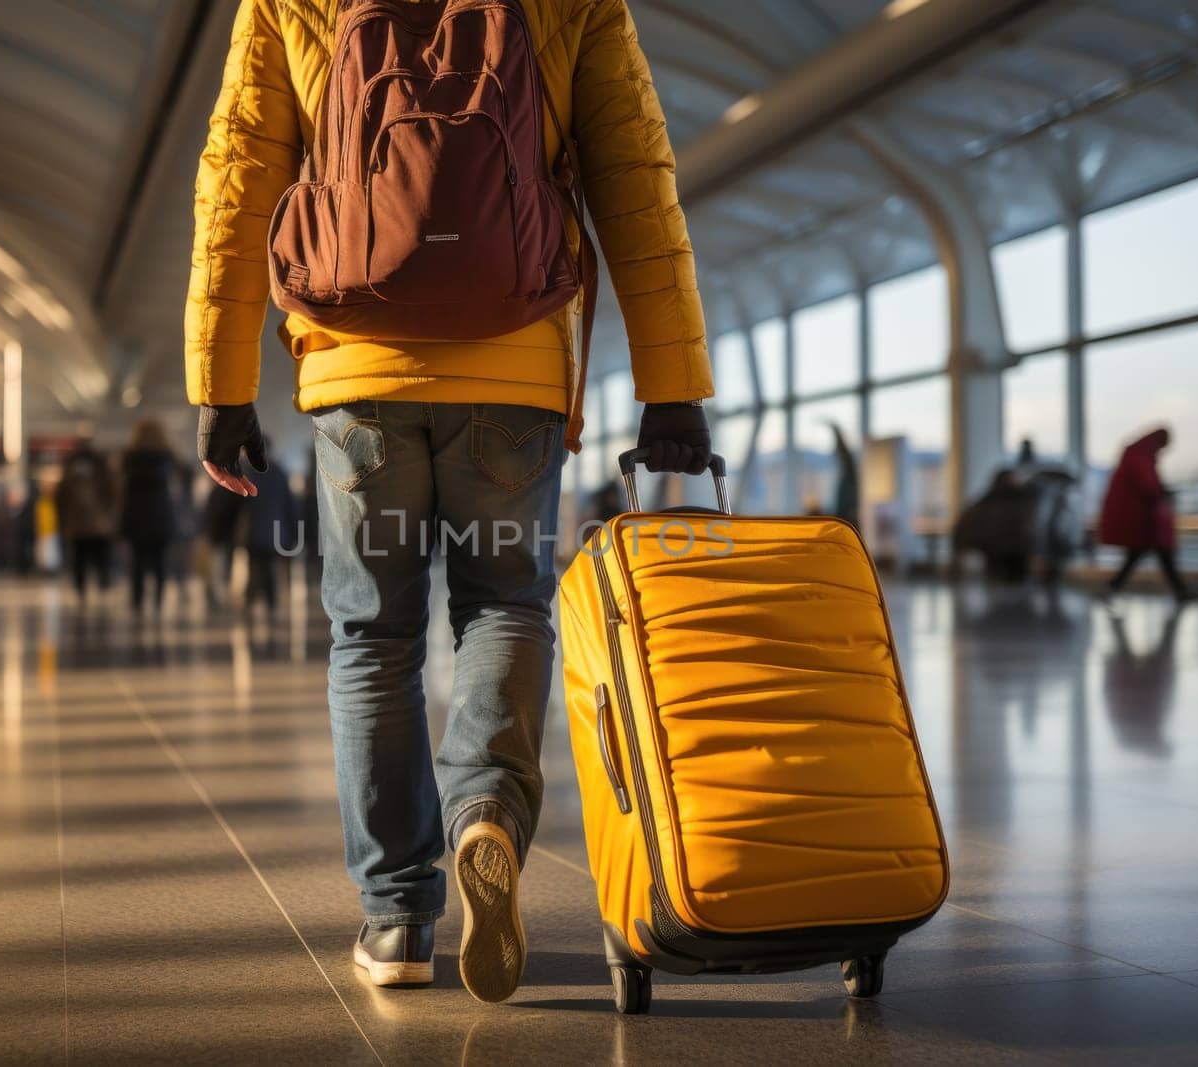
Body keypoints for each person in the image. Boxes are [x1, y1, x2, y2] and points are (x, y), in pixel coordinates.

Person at [187, 0, 713, 1002]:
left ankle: (395, 917)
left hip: (354, 370)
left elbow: (237, 181)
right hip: (513, 365)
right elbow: (634, 178)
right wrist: (670, 379)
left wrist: (218, 384)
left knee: (372, 635)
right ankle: (484, 811)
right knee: (505, 603)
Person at [1098, 428, 1196, 602]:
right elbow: (1148, 486)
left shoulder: (1136, 454)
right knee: (1157, 554)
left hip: (1141, 518)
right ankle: (1180, 591)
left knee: (1140, 556)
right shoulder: (1141, 457)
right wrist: (1162, 492)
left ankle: (1111, 587)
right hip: (1143, 519)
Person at [119, 419, 181, 617]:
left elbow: (123, 489)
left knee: (137, 562)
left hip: (136, 516)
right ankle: (158, 601)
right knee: (160, 562)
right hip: (161, 516)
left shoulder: (129, 458)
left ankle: (137, 602)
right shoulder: (168, 457)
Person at [55, 440, 116, 603]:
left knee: (79, 558)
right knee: (101, 557)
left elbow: (60, 498)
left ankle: (80, 590)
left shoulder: (70, 470)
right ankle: (103, 586)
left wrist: (63, 520)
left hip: (76, 524)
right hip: (99, 523)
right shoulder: (102, 469)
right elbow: (112, 494)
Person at [242, 438, 297, 616]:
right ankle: (270, 605)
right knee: (269, 569)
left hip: (252, 531)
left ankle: (251, 603)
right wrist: (294, 533)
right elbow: (290, 505)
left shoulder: (246, 472)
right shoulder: (279, 472)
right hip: (276, 531)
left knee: (255, 568)